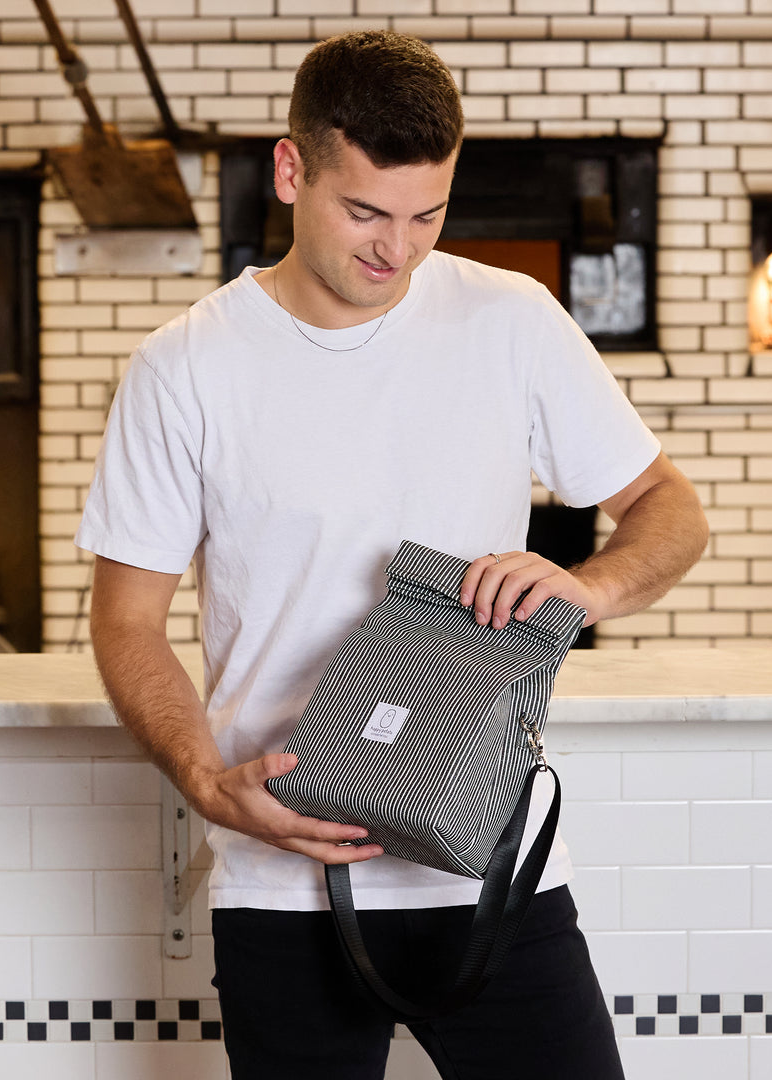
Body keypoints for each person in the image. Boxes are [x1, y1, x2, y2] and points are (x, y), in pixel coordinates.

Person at [76, 28, 708, 1080]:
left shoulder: (513, 321)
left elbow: (668, 508)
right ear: (291, 171)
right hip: (283, 878)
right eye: (366, 211)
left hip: (489, 870)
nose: (398, 250)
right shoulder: (183, 368)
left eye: (428, 215)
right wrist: (203, 777)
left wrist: (584, 587)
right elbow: (126, 620)